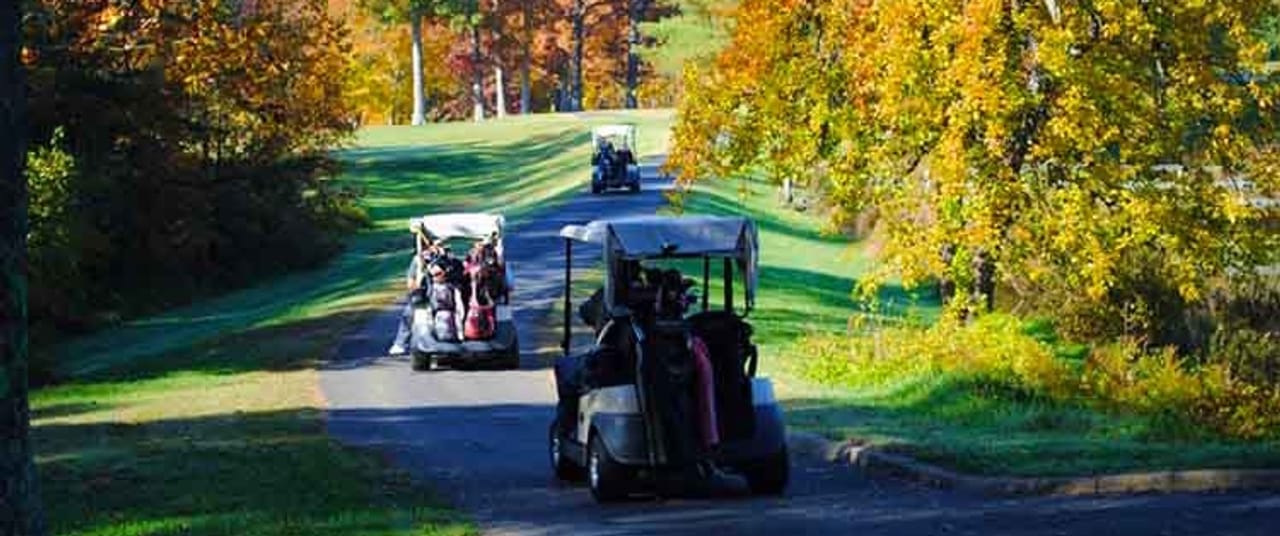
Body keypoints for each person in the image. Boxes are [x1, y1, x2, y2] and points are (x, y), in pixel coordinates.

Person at [388, 229, 441, 355]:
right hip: (423, 295)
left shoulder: (442, 258)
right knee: (408, 314)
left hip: (441, 294)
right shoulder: (418, 260)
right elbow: (411, 280)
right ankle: (400, 343)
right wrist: (415, 288)